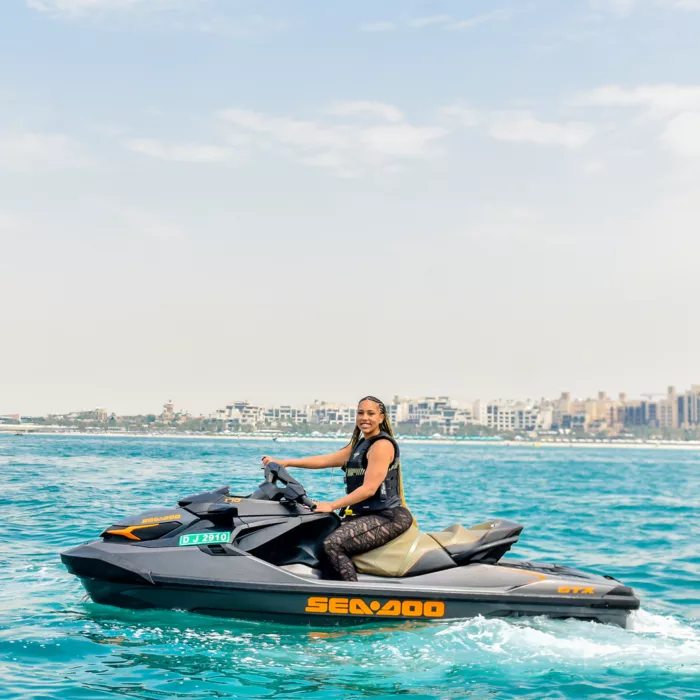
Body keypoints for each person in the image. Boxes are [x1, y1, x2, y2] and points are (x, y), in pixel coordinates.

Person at [261, 396, 413, 581]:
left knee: (333, 544)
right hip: (367, 515)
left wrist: (332, 505)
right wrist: (286, 462)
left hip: (388, 516)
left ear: (381, 418)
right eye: (360, 413)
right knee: (318, 535)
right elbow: (325, 460)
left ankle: (351, 597)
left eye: (370, 413)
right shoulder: (360, 446)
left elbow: (369, 489)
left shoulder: (382, 446)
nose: (364, 417)